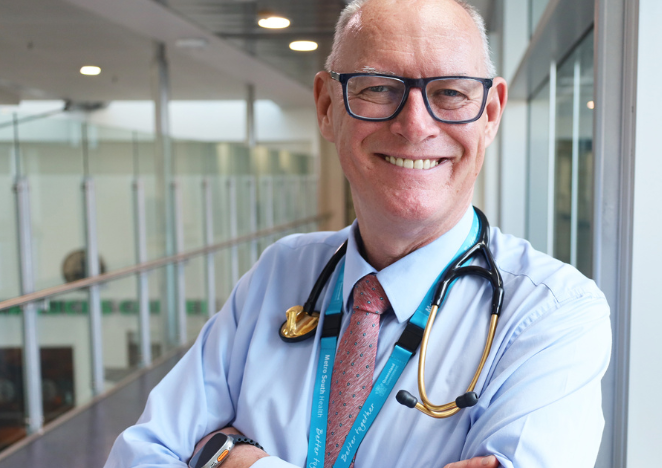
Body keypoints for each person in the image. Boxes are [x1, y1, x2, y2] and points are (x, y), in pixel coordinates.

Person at [105, 0, 611, 467]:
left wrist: (232, 458)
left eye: (450, 93)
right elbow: (141, 453)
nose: (415, 126)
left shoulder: (553, 314)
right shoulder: (280, 272)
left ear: (490, 114)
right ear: (327, 106)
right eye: (378, 88)